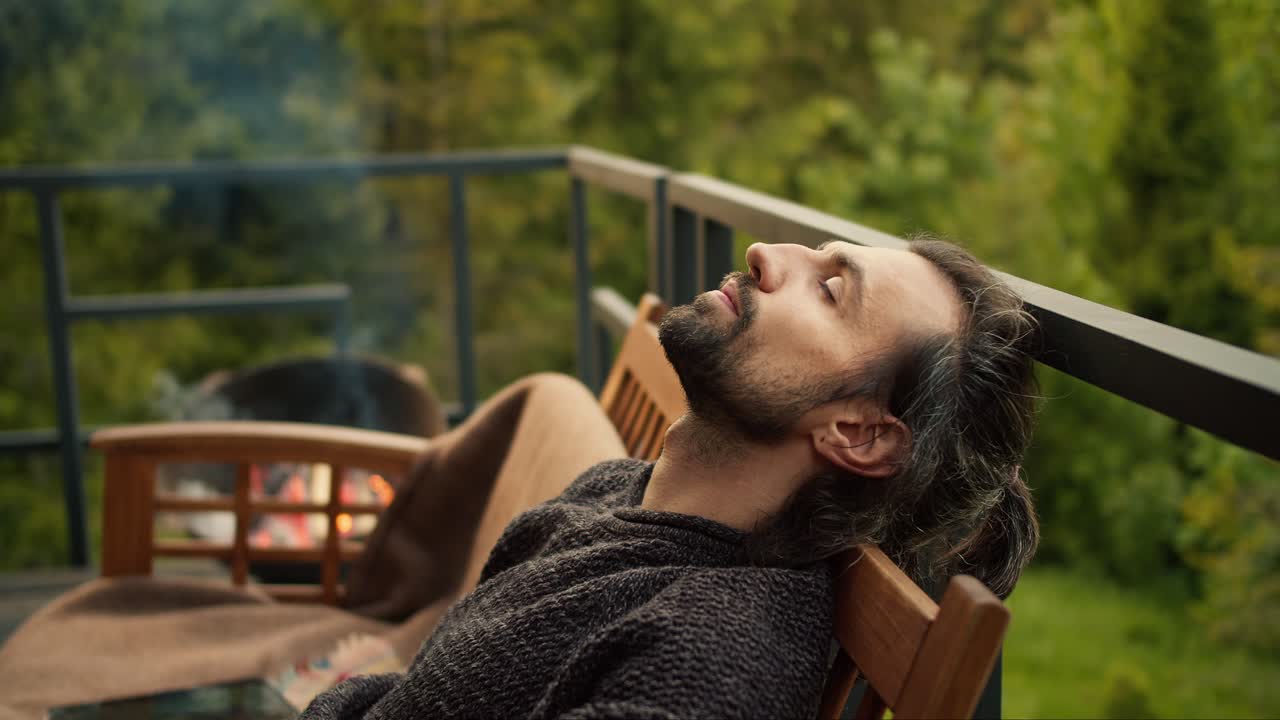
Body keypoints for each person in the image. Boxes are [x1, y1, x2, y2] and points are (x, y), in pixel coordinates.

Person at [301, 237, 1041, 719]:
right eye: (816, 256)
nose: (763, 253)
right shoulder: (613, 491)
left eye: (831, 290)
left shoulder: (710, 664)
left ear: (857, 432)